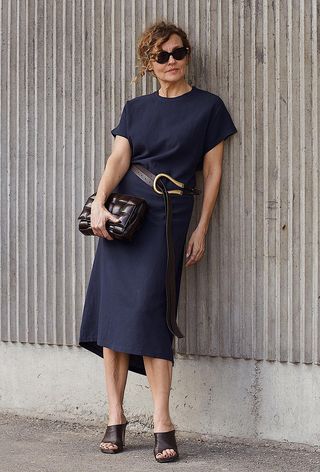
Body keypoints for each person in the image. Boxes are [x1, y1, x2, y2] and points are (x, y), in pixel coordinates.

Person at [78, 20, 237, 463]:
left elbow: (212, 173)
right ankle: (115, 417)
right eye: (161, 55)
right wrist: (99, 205)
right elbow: (119, 158)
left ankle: (163, 421)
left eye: (178, 52)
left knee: (153, 314)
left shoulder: (209, 107)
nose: (171, 61)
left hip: (169, 217)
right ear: (149, 63)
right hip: (124, 217)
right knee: (112, 319)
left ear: (188, 55)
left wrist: (201, 227)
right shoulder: (135, 108)